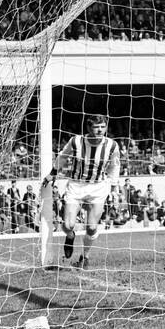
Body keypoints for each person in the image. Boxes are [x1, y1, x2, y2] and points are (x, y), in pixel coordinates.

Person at [45, 113, 122, 270]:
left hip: (98, 186)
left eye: (103, 127)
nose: (100, 130)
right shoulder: (76, 141)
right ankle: (70, 235)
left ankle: (84, 257)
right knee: (68, 225)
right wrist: (53, 172)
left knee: (92, 227)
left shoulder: (112, 145)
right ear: (89, 127)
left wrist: (114, 188)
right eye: (96, 127)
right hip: (76, 185)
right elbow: (63, 156)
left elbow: (115, 166)